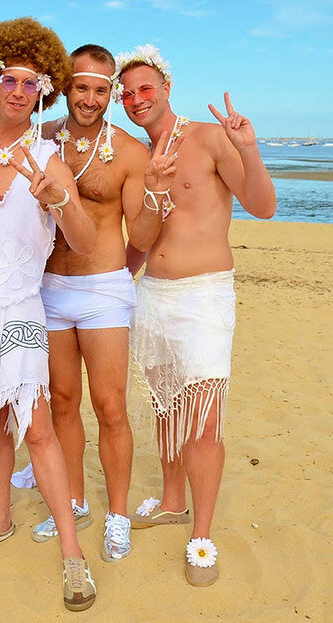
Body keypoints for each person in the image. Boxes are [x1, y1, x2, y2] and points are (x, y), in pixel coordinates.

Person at [0, 18, 98, 611]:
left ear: (44, 92)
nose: (18, 90)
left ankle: (73, 555)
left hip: (16, 304)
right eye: (10, 77)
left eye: (32, 83)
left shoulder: (47, 160)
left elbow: (81, 238)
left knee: (35, 425)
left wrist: (56, 199)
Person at [114, 44, 276, 586]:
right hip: (154, 294)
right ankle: (171, 499)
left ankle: (201, 533)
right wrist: (116, 276)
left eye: (145, 89)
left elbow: (263, 205)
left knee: (204, 421)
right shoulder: (139, 157)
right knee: (167, 408)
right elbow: (140, 239)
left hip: (205, 296)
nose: (137, 100)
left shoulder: (210, 139)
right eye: (127, 93)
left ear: (166, 88)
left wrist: (249, 149)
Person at [12, 43, 179, 563]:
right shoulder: (39, 140)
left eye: (101, 91)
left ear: (112, 93)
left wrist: (154, 191)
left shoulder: (130, 152)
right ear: (65, 88)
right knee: (62, 403)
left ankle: (118, 515)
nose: (90, 99)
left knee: (109, 407)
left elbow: (144, 234)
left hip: (103, 290)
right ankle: (77, 501)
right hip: (48, 291)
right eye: (81, 88)